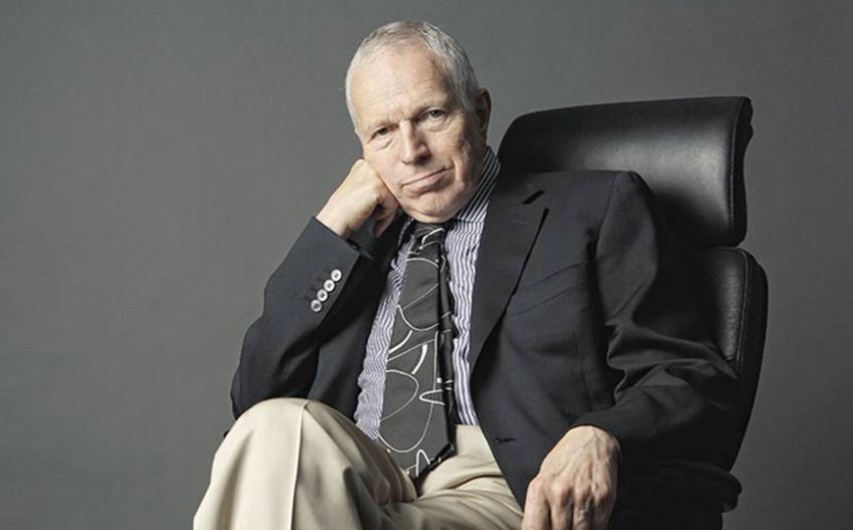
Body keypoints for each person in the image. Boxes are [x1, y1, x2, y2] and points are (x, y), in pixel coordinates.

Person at [195, 20, 737, 530]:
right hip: (356, 480)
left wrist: (600, 434)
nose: (412, 153)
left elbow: (686, 373)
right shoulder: (353, 248)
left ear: (479, 111)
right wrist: (327, 231)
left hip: (504, 484)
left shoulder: (591, 211)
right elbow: (254, 404)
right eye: (383, 132)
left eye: (431, 116)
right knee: (274, 428)